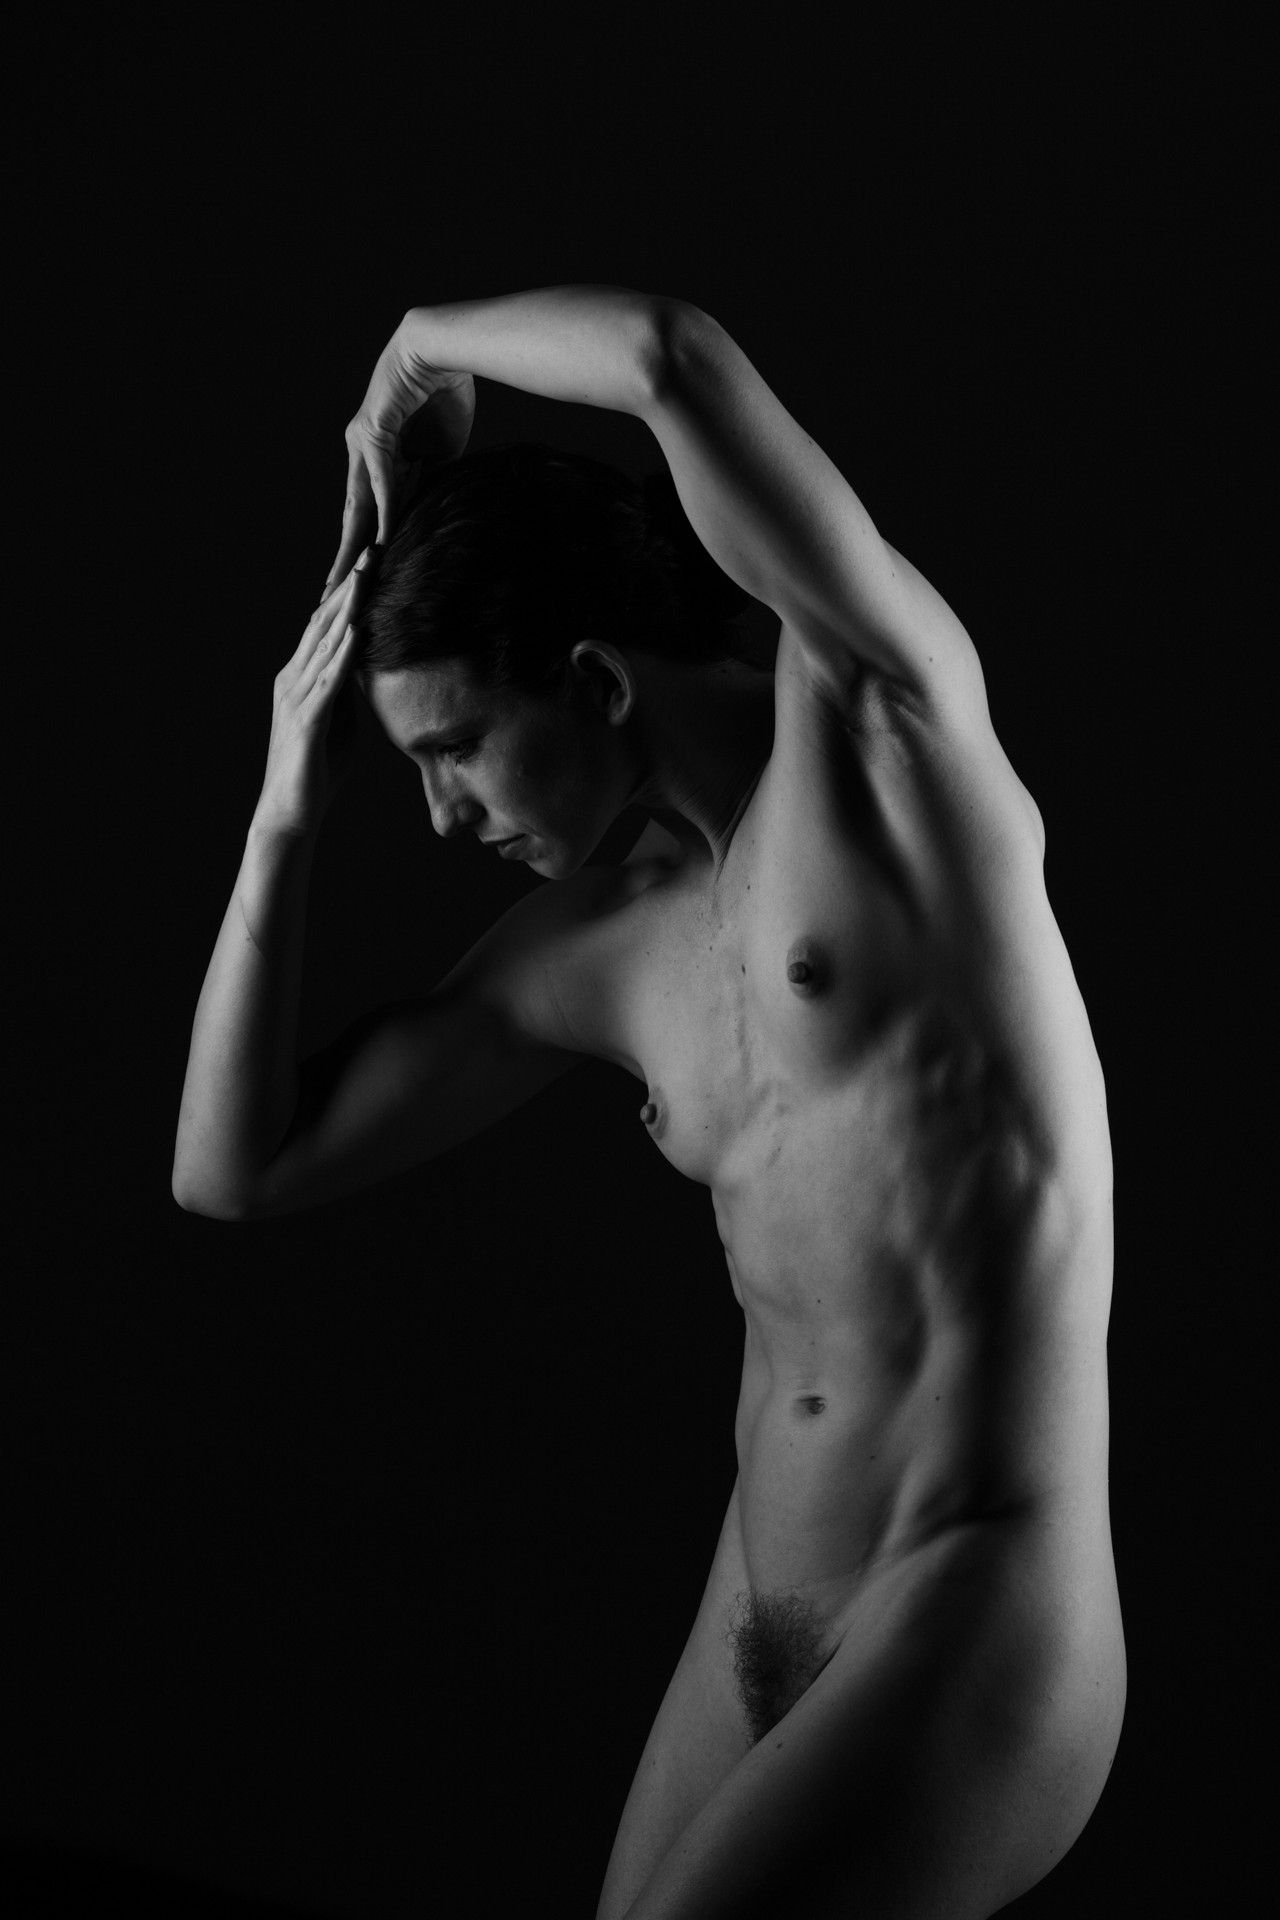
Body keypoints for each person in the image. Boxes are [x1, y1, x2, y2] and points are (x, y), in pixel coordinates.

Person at [173, 286, 1125, 1919]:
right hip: (749, 1614)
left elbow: (671, 362)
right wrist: (282, 819)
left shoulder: (883, 737)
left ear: (598, 682)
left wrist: (419, 349)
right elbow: (234, 1166)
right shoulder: (602, 945)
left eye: (457, 747)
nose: (442, 814)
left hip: (968, 1609)